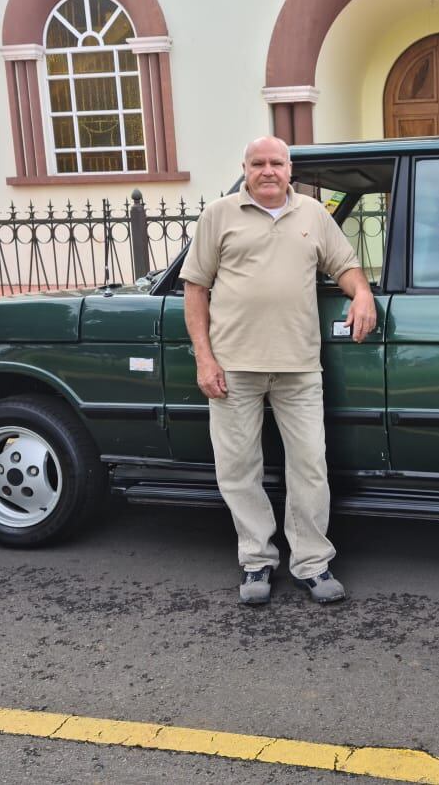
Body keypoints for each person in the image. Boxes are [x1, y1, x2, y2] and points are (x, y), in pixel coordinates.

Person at [179, 136, 376, 606]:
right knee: (238, 469)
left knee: (309, 466)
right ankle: (256, 561)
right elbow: (195, 290)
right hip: (232, 369)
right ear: (245, 168)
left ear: (290, 169)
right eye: (258, 163)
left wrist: (362, 293)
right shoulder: (219, 215)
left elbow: (345, 266)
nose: (268, 171)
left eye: (277, 163)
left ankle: (311, 563)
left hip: (299, 367)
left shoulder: (312, 214)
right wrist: (205, 359)